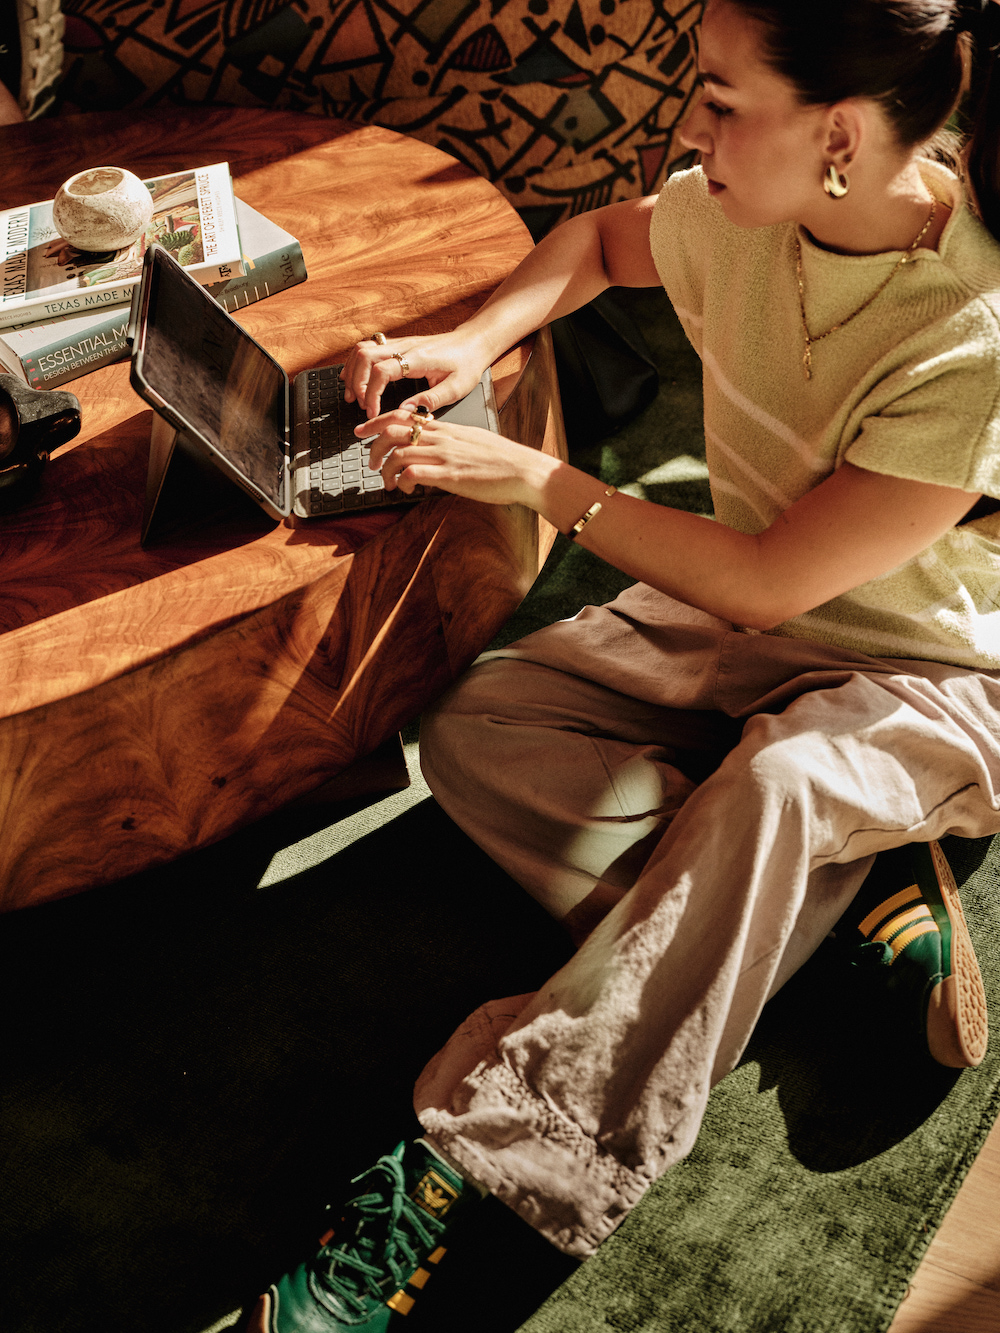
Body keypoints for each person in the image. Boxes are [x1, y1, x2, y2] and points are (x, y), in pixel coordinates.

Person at [249, 1, 1000, 1329]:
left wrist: (538, 478)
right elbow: (600, 241)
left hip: (925, 669)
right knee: (476, 723)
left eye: (718, 99)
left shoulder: (970, 335)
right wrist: (469, 345)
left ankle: (484, 1156)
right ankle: (820, 912)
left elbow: (770, 575)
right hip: (744, 627)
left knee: (771, 795)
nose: (688, 130)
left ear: (838, 134)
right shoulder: (737, 210)